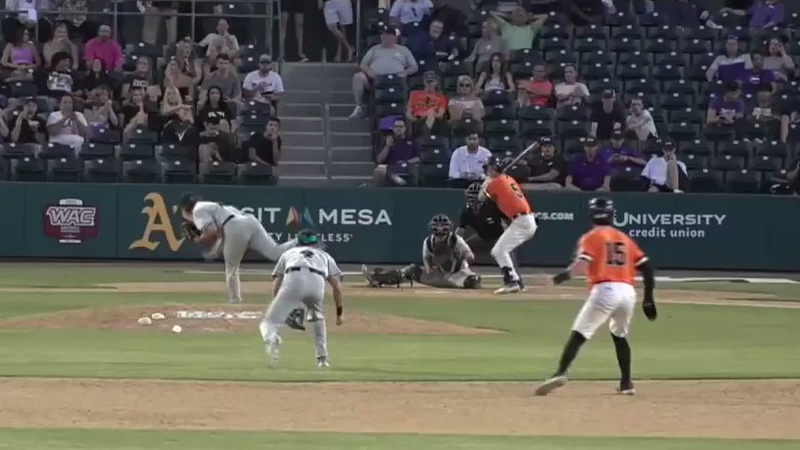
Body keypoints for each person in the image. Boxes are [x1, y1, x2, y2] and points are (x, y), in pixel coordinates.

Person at [534, 197, 657, 396]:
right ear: (611, 215)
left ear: (591, 214)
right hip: (627, 293)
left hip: (605, 290)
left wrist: (557, 279)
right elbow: (647, 268)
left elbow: (581, 266)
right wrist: (648, 299)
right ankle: (626, 383)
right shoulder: (624, 238)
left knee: (579, 333)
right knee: (619, 335)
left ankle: (560, 372)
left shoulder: (591, 237)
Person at [179, 193, 297, 304]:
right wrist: (214, 251)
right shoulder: (213, 206)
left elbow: (212, 230)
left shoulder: (197, 210)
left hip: (234, 227)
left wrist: (199, 239)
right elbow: (220, 234)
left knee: (231, 268)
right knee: (275, 252)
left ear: (186, 208)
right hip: (249, 222)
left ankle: (234, 301)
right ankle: (301, 240)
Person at [260, 229, 343, 368]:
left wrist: (279, 306)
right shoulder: (324, 255)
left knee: (268, 323)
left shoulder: (288, 253)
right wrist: (339, 313)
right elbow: (337, 286)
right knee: (317, 318)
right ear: (316, 243)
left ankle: (272, 339)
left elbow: (276, 283)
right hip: (317, 282)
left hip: (293, 279)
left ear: (297, 242)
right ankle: (322, 360)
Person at [362, 214, 481, 289]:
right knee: (412, 270)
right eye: (437, 228)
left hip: (458, 273)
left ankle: (469, 280)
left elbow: (469, 255)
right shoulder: (428, 242)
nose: (439, 231)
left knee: (473, 281)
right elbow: (427, 263)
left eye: (442, 228)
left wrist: (466, 259)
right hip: (439, 275)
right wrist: (430, 268)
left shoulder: (456, 240)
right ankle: (378, 279)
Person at [480, 153, 538, 294]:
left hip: (522, 222)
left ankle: (512, 282)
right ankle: (517, 281)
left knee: (499, 250)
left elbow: (481, 198)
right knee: (501, 250)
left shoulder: (496, 182)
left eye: (489, 168)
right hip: (522, 220)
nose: (487, 170)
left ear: (494, 167)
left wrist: (486, 182)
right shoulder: (508, 178)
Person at [350, 25, 417, 118]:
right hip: (376, 79)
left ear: (394, 37)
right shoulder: (374, 49)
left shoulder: (403, 50)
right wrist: (369, 71)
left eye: (387, 35)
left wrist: (405, 73)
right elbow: (363, 64)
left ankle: (405, 110)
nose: (384, 37)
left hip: (396, 80)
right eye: (383, 35)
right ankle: (358, 107)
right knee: (358, 77)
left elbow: (414, 66)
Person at [457, 182, 508, 266]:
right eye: (471, 197)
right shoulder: (466, 212)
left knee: (507, 251)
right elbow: (461, 230)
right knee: (461, 249)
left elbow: (507, 220)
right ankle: (461, 271)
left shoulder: (492, 206)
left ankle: (512, 273)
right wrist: (456, 244)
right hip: (481, 238)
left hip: (499, 238)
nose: (473, 201)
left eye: (476, 198)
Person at [373, 118, 420, 186]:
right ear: (392, 128)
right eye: (396, 126)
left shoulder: (412, 141)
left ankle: (399, 180)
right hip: (390, 170)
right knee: (380, 169)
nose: (398, 128)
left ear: (405, 128)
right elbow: (379, 160)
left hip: (407, 168)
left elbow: (418, 158)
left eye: (401, 126)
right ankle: (398, 180)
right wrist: (387, 146)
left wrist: (406, 161)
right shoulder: (386, 141)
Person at [406, 70, 447, 135]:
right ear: (424, 82)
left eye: (431, 81)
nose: (429, 84)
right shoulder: (414, 94)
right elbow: (408, 111)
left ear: (436, 82)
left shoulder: (441, 97)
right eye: (427, 81)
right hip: (418, 119)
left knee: (431, 111)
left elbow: (440, 114)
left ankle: (425, 135)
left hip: (433, 119)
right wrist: (412, 119)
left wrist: (430, 114)